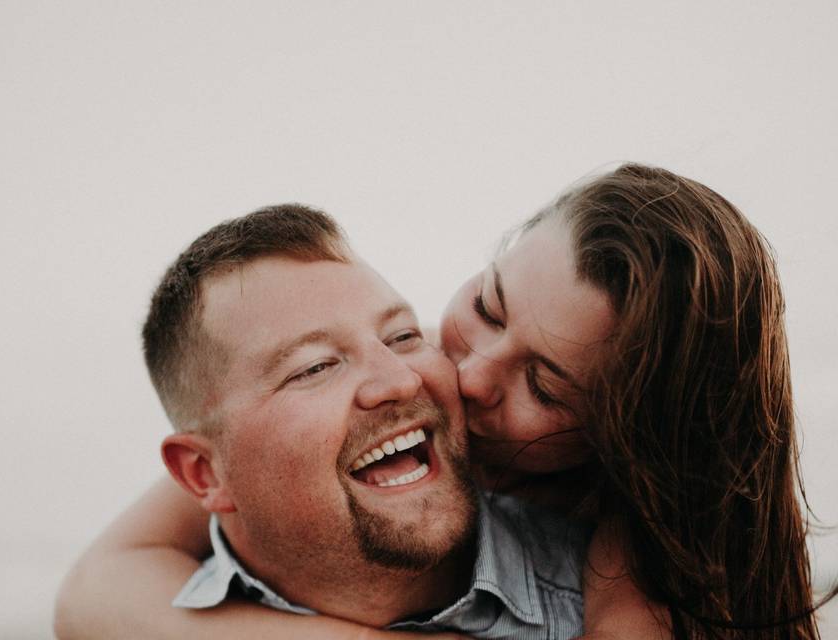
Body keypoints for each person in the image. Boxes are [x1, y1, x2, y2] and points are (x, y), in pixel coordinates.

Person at [56, 164, 822, 639]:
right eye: (489, 306)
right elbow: (98, 589)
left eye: (546, 386)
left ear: (618, 443)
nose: (465, 375)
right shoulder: (391, 376)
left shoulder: (626, 578)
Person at [55, 204, 592, 639]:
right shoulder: (132, 614)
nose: (400, 381)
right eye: (315, 367)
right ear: (204, 473)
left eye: (403, 336)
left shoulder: (615, 602)